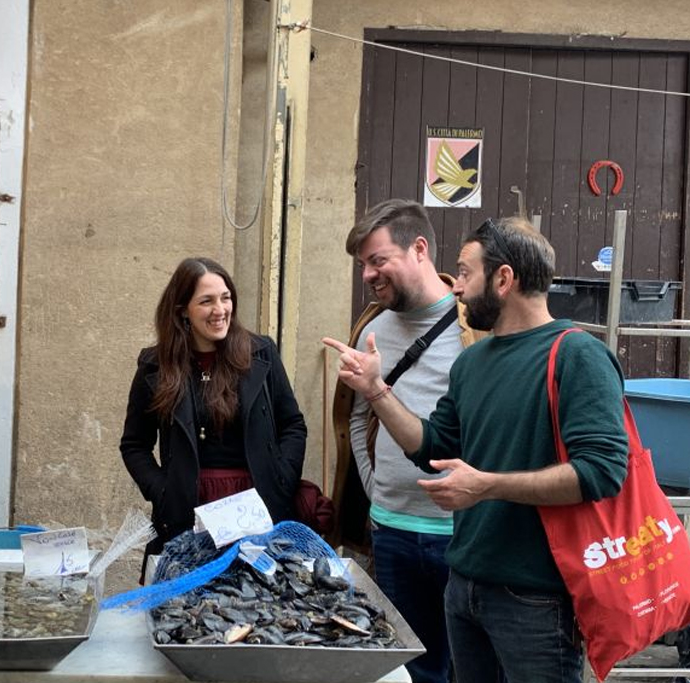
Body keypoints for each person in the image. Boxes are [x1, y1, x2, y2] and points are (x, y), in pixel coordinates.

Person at [323, 217, 628, 683]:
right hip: (465, 585)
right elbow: (432, 447)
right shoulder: (473, 362)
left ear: (503, 279)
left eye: (466, 273)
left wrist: (486, 486)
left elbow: (603, 472)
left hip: (536, 597)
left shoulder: (577, 355)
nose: (458, 288)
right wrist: (377, 391)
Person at [330, 199, 483, 683]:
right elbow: (356, 418)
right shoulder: (372, 328)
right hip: (391, 535)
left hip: (462, 536)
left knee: (471, 669)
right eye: (363, 266)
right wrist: (378, 491)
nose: (368, 275)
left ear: (418, 249)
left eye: (377, 260)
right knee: (411, 671)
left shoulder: (475, 328)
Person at [120, 257, 307, 574]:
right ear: (183, 310)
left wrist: (282, 478)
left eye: (226, 297)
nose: (220, 310)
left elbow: (293, 425)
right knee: (190, 607)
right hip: (187, 507)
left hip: (256, 505)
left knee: (255, 601)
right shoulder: (156, 366)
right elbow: (134, 444)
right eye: (206, 301)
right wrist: (162, 492)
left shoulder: (261, 353)